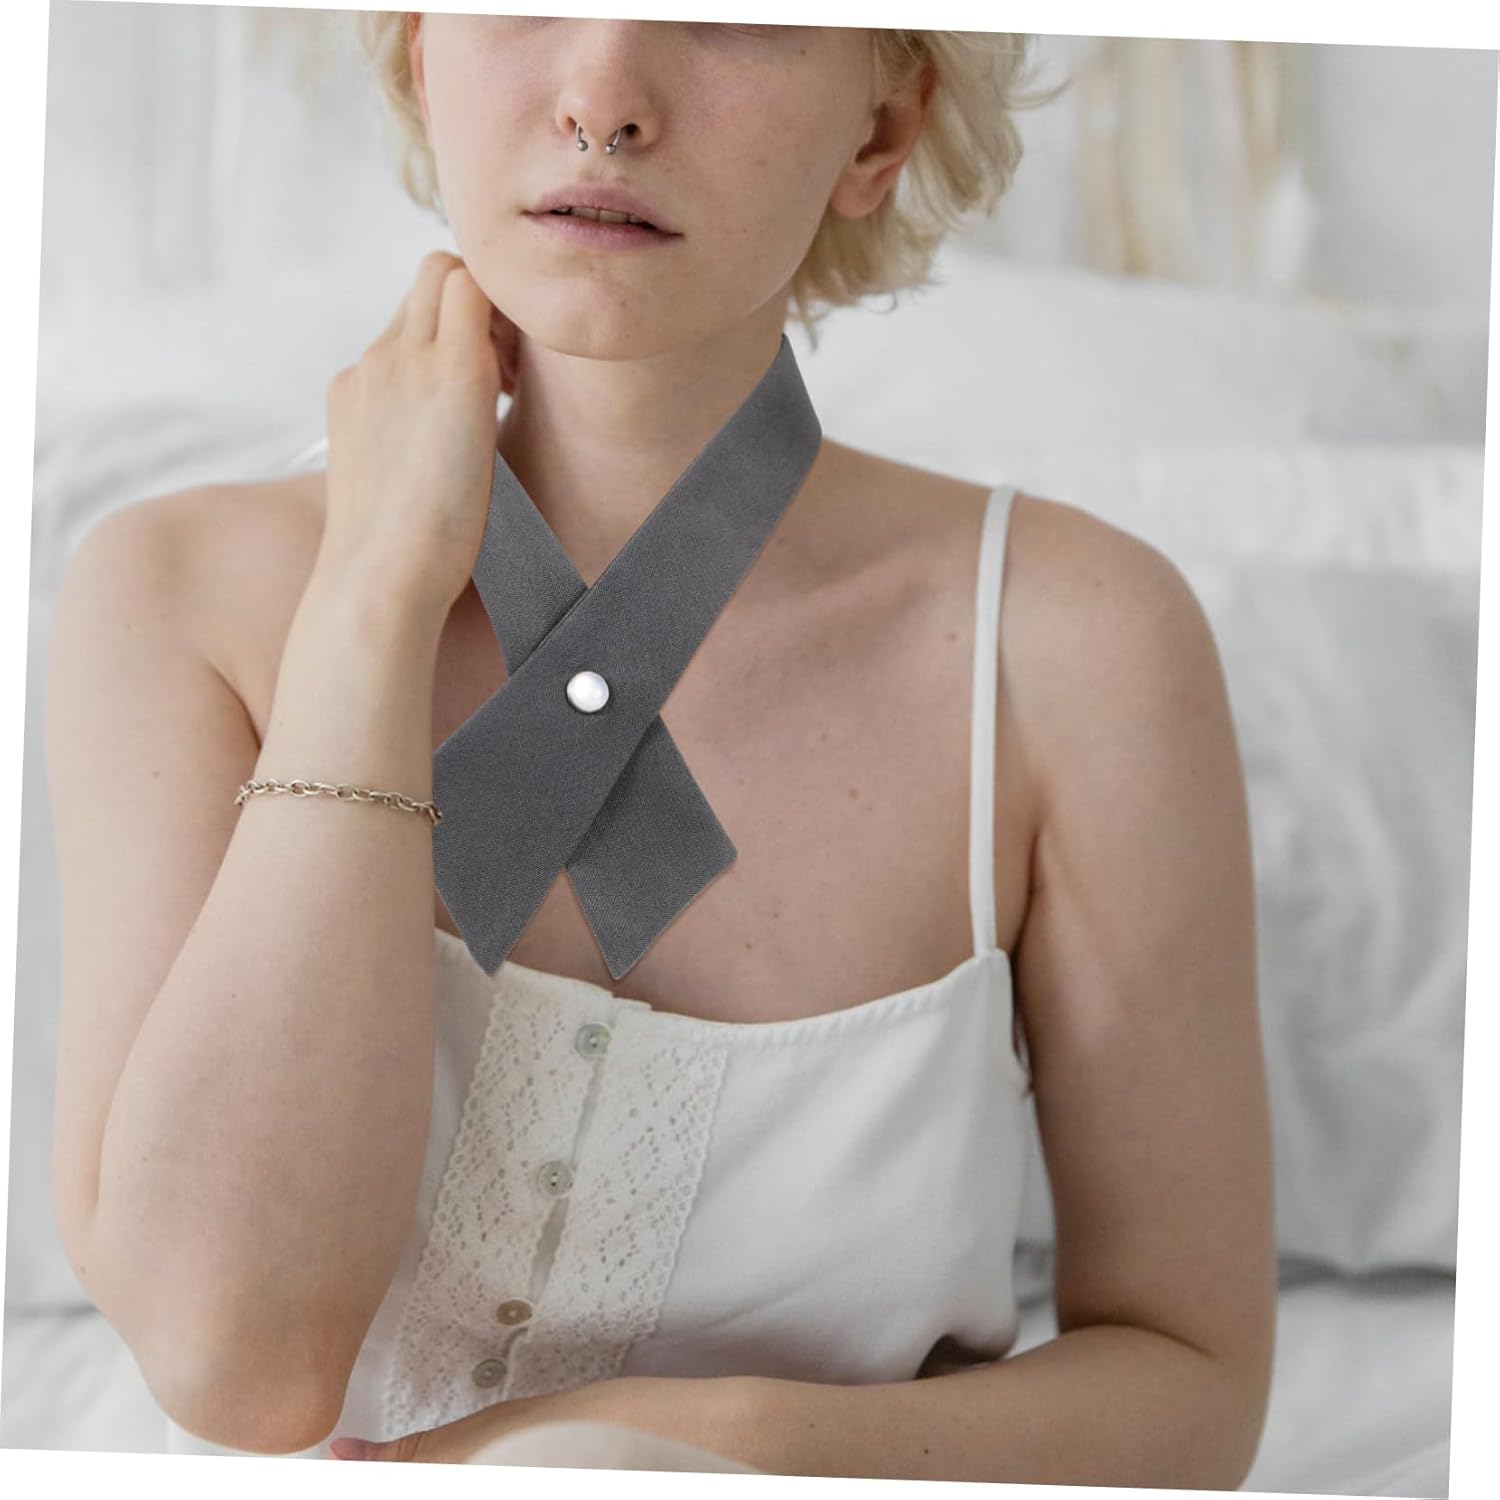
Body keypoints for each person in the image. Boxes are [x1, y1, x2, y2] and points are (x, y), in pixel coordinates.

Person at [43, 13, 1276, 1487]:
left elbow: (1190, 1388)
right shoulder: (171, 596)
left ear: (881, 130)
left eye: (729, 19)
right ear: (421, 60)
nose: (604, 103)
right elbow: (238, 1368)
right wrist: (373, 597)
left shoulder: (1071, 647)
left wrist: (691, 1446)